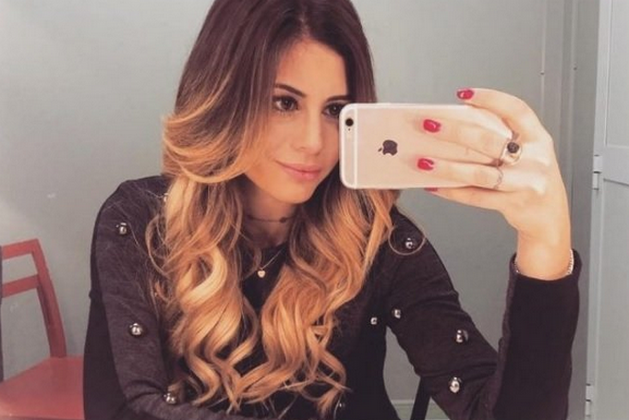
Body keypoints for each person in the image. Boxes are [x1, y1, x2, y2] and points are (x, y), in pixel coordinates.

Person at [83, 0, 580, 419]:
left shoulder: (380, 240)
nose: (314, 142)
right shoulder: (141, 222)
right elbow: (123, 408)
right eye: (283, 102)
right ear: (224, 97)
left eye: (335, 110)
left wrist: (546, 245)